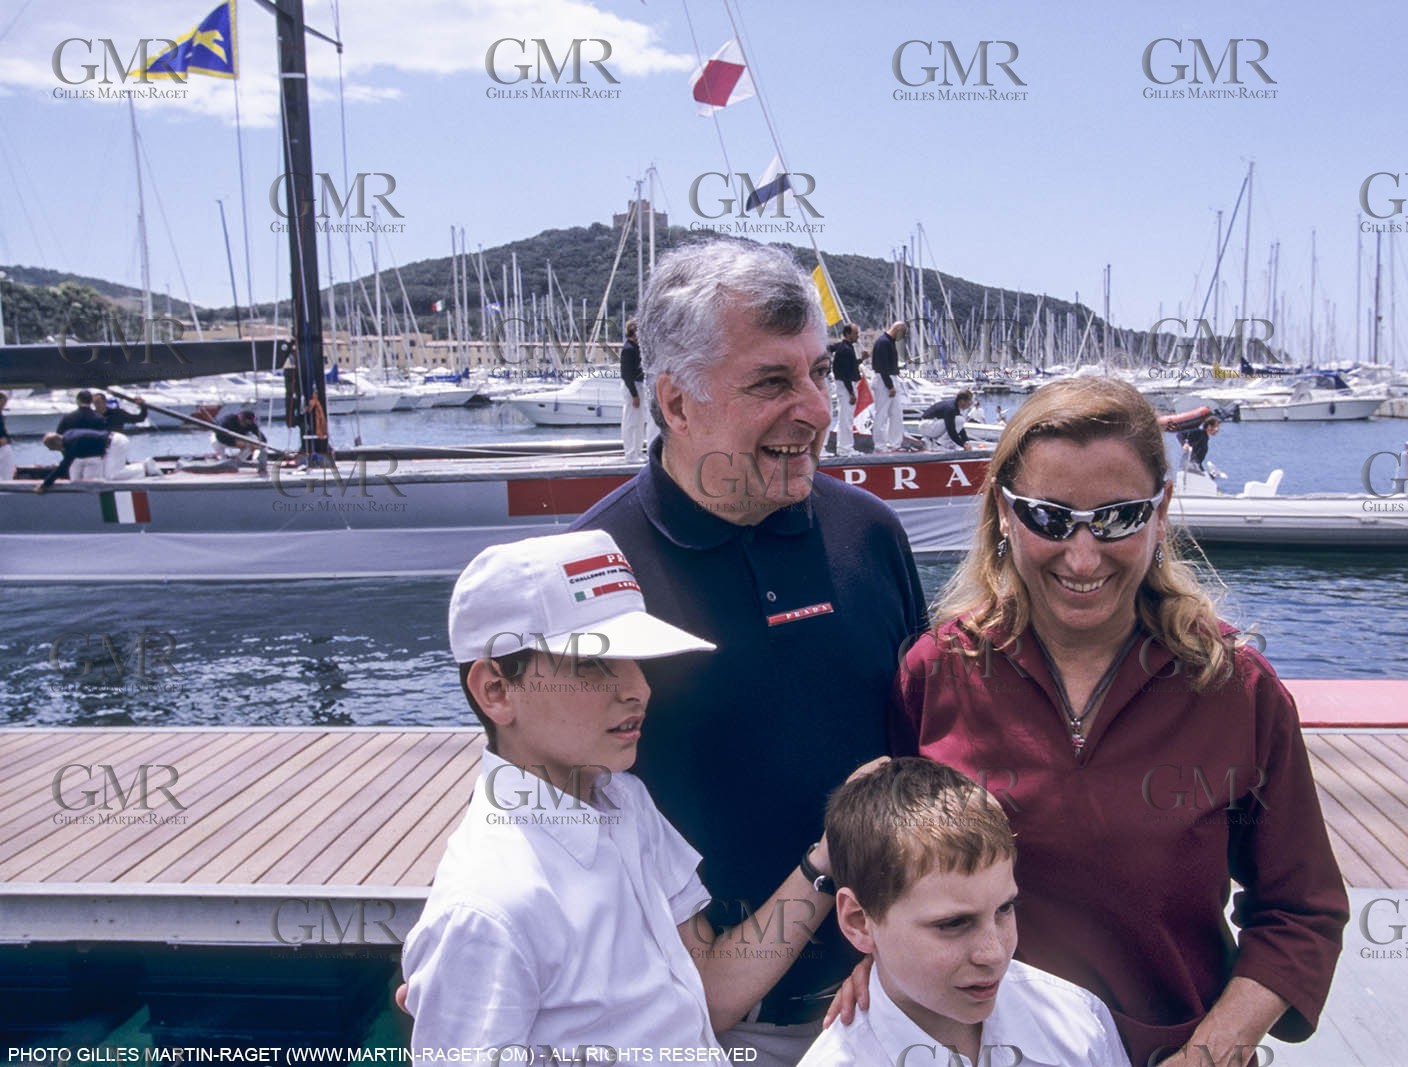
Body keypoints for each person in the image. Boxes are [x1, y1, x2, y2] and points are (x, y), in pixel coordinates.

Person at [892, 378, 1348, 1067]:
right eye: (1049, 518)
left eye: (1117, 518)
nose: (1082, 556)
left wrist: (1212, 1049)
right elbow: (880, 877)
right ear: (1003, 514)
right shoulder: (935, 675)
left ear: (1160, 512)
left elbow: (1301, 911)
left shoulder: (1237, 691)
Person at [573, 239, 927, 1065]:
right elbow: (552, 817)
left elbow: (918, 756)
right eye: (772, 381)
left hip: (890, 1000)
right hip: (696, 1023)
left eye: (817, 371)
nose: (815, 407)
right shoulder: (595, 570)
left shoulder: (867, 534)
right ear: (676, 402)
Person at [404, 530, 846, 1054]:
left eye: (637, 661)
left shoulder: (623, 802)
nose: (638, 688)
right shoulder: (489, 908)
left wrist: (826, 858)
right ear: (495, 690)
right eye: (592, 664)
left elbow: (710, 992)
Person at [798, 758, 1130, 1067]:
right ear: (858, 921)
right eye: (954, 923)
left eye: (1005, 909)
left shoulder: (1079, 1023)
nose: (994, 953)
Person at [870, 321, 908, 452]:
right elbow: (881, 366)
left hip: (891, 377)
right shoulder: (883, 342)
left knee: (896, 413)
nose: (902, 337)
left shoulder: (889, 342)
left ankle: (895, 443)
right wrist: (890, 385)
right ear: (897, 329)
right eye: (902, 334)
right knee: (881, 414)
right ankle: (879, 445)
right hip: (883, 379)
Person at [829, 324, 862, 457]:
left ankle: (845, 446)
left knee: (846, 418)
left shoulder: (845, 348)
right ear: (848, 334)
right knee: (846, 419)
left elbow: (850, 367)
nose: (857, 336)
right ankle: (845, 448)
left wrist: (861, 360)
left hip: (845, 384)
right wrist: (851, 392)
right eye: (855, 333)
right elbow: (845, 373)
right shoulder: (845, 350)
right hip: (846, 386)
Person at [621, 318, 647, 463]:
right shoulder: (628, 350)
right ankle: (630, 454)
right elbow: (626, 375)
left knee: (639, 420)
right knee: (631, 421)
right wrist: (634, 394)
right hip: (632, 386)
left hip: (639, 384)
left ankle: (638, 451)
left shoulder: (635, 348)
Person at [0, 392, 13, 482]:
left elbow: (5, 434)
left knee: (7, 475)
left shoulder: (1, 416)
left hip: (3, 446)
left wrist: (7, 440)